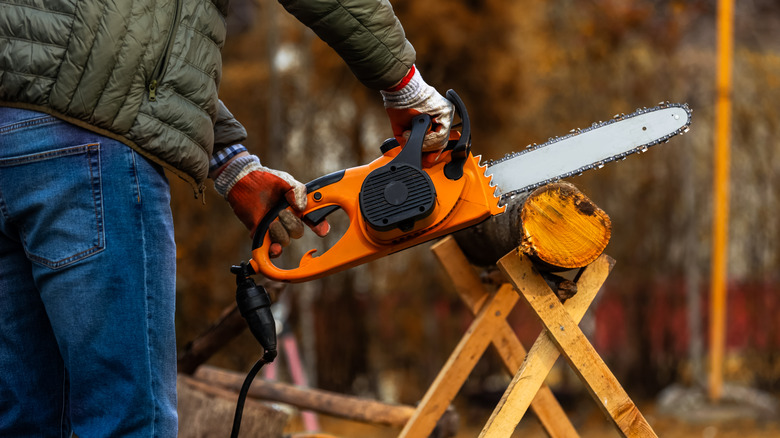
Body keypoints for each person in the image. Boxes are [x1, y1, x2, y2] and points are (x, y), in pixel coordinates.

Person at [0, 0, 453, 436]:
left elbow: (92, 37)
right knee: (129, 424)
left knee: (22, 422)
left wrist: (230, 164)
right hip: (91, 154)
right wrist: (404, 82)